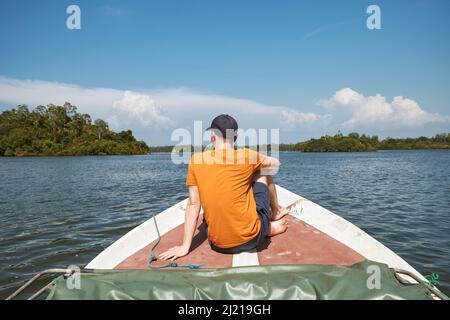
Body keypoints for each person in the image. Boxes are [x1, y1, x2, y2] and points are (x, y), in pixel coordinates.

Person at [159, 114, 289, 261]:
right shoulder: (247, 155)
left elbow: (194, 205)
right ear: (235, 138)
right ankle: (274, 216)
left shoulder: (196, 161)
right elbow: (276, 164)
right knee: (263, 172)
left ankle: (264, 226)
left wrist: (184, 246)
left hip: (218, 245)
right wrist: (255, 165)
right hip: (252, 239)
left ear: (213, 136)